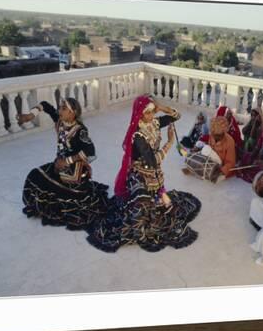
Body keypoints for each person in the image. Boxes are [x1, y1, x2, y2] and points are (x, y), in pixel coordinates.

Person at [87, 96, 201, 253]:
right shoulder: (138, 136)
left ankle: (159, 196)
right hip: (139, 174)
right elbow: (153, 160)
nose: (151, 115)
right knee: (140, 213)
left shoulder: (154, 123)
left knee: (163, 206)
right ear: (139, 114)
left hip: (155, 175)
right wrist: (169, 142)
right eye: (147, 112)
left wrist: (161, 108)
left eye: (152, 111)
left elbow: (176, 116)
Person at [18, 98, 110, 230]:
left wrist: (66, 161)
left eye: (63, 108)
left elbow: (90, 151)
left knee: (64, 196)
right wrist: (31, 115)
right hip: (58, 166)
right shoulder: (60, 121)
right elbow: (45, 105)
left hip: (74, 173)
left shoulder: (80, 130)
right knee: (34, 175)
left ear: (73, 113)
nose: (59, 110)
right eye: (60, 107)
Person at [182, 116, 236, 182]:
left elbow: (231, 162)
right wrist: (197, 149)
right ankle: (193, 169)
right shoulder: (212, 135)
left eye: (218, 135)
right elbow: (209, 148)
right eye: (214, 134)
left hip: (219, 164)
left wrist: (222, 171)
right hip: (209, 159)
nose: (215, 136)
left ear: (223, 132)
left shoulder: (230, 141)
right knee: (205, 149)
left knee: (216, 179)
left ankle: (203, 171)